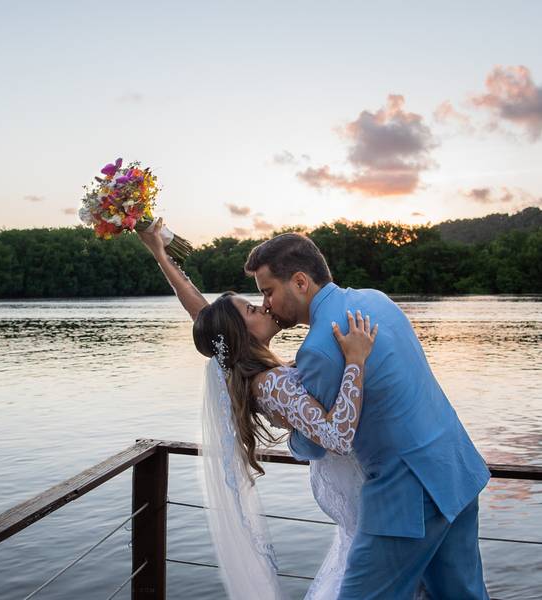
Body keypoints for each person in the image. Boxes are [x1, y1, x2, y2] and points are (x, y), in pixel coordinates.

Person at [137, 220, 489, 600]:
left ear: (300, 282)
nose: (266, 305)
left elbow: (329, 440)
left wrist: (300, 437)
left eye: (266, 293)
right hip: (456, 472)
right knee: (462, 593)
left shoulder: (318, 348)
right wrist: (160, 254)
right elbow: (214, 323)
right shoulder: (374, 300)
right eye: (258, 303)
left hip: (405, 498)